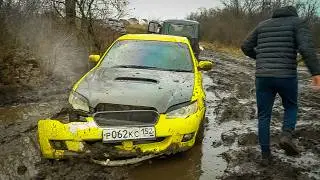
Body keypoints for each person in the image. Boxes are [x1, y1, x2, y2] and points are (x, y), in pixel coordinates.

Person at [241, 6, 320, 165]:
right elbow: (306, 48)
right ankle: (286, 135)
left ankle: (265, 156)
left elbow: (245, 46)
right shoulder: (298, 23)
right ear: (294, 13)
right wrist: (316, 72)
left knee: (264, 116)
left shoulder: (262, 25)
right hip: (286, 76)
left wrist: (260, 58)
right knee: (290, 107)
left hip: (263, 77)